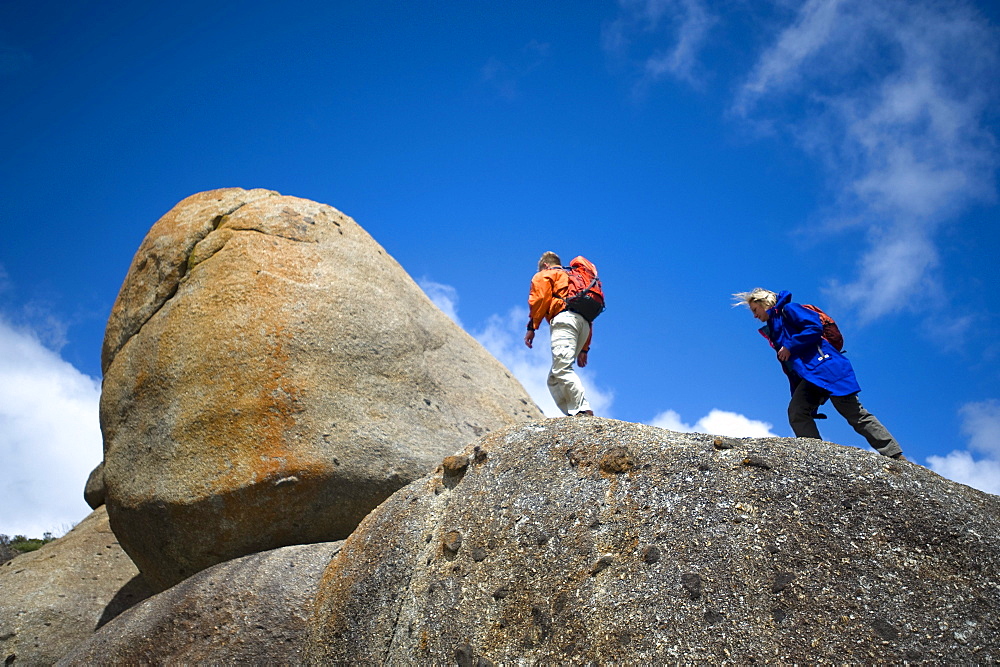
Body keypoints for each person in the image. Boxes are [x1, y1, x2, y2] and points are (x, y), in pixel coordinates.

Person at [733, 288, 906, 460]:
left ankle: (894, 454)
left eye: (755, 310)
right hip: (811, 376)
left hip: (827, 368)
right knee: (797, 411)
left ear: (765, 303)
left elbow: (814, 327)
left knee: (854, 413)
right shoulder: (776, 326)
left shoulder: (789, 309)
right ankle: (817, 457)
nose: (755, 316)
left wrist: (790, 346)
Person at [524, 251, 594, 417]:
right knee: (554, 378)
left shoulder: (547, 274)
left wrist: (532, 327)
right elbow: (587, 313)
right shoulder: (574, 278)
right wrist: (584, 348)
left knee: (562, 368)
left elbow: (540, 299)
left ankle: (583, 410)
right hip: (583, 326)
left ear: (546, 265)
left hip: (564, 320)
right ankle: (574, 414)